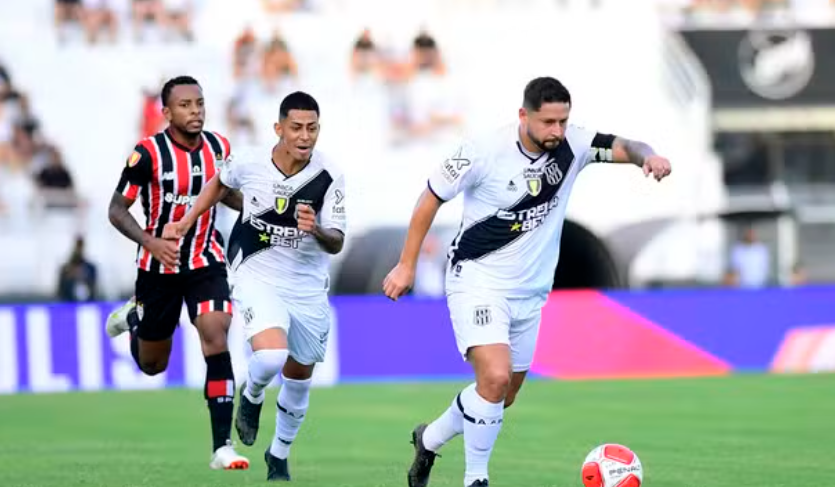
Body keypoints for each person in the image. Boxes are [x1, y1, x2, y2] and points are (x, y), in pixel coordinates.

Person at [383, 76, 672, 487]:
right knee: (494, 378)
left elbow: (626, 146)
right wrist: (406, 265)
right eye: (548, 122)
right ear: (524, 115)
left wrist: (650, 155)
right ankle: (476, 479)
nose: (557, 131)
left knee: (502, 395)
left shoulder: (574, 145)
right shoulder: (482, 151)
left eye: (563, 121)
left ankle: (427, 439)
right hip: (478, 279)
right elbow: (430, 197)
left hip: (531, 292)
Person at [163, 91, 346, 481]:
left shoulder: (329, 175)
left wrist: (316, 230)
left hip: (307, 285)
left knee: (299, 379)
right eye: (296, 127)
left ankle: (278, 455)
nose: (305, 136)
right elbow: (219, 183)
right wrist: (187, 220)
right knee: (270, 356)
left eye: (312, 128)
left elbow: (337, 241)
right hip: (256, 273)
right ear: (279, 128)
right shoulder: (249, 161)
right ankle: (252, 395)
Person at [104, 75, 249, 470]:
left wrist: (260, 207)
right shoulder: (147, 153)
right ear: (167, 113)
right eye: (185, 105)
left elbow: (225, 192)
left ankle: (222, 447)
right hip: (158, 267)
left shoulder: (220, 148)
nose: (195, 111)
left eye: (199, 103)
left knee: (216, 333)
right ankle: (135, 318)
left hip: (205, 259)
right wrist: (150, 242)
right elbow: (116, 209)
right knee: (153, 365)